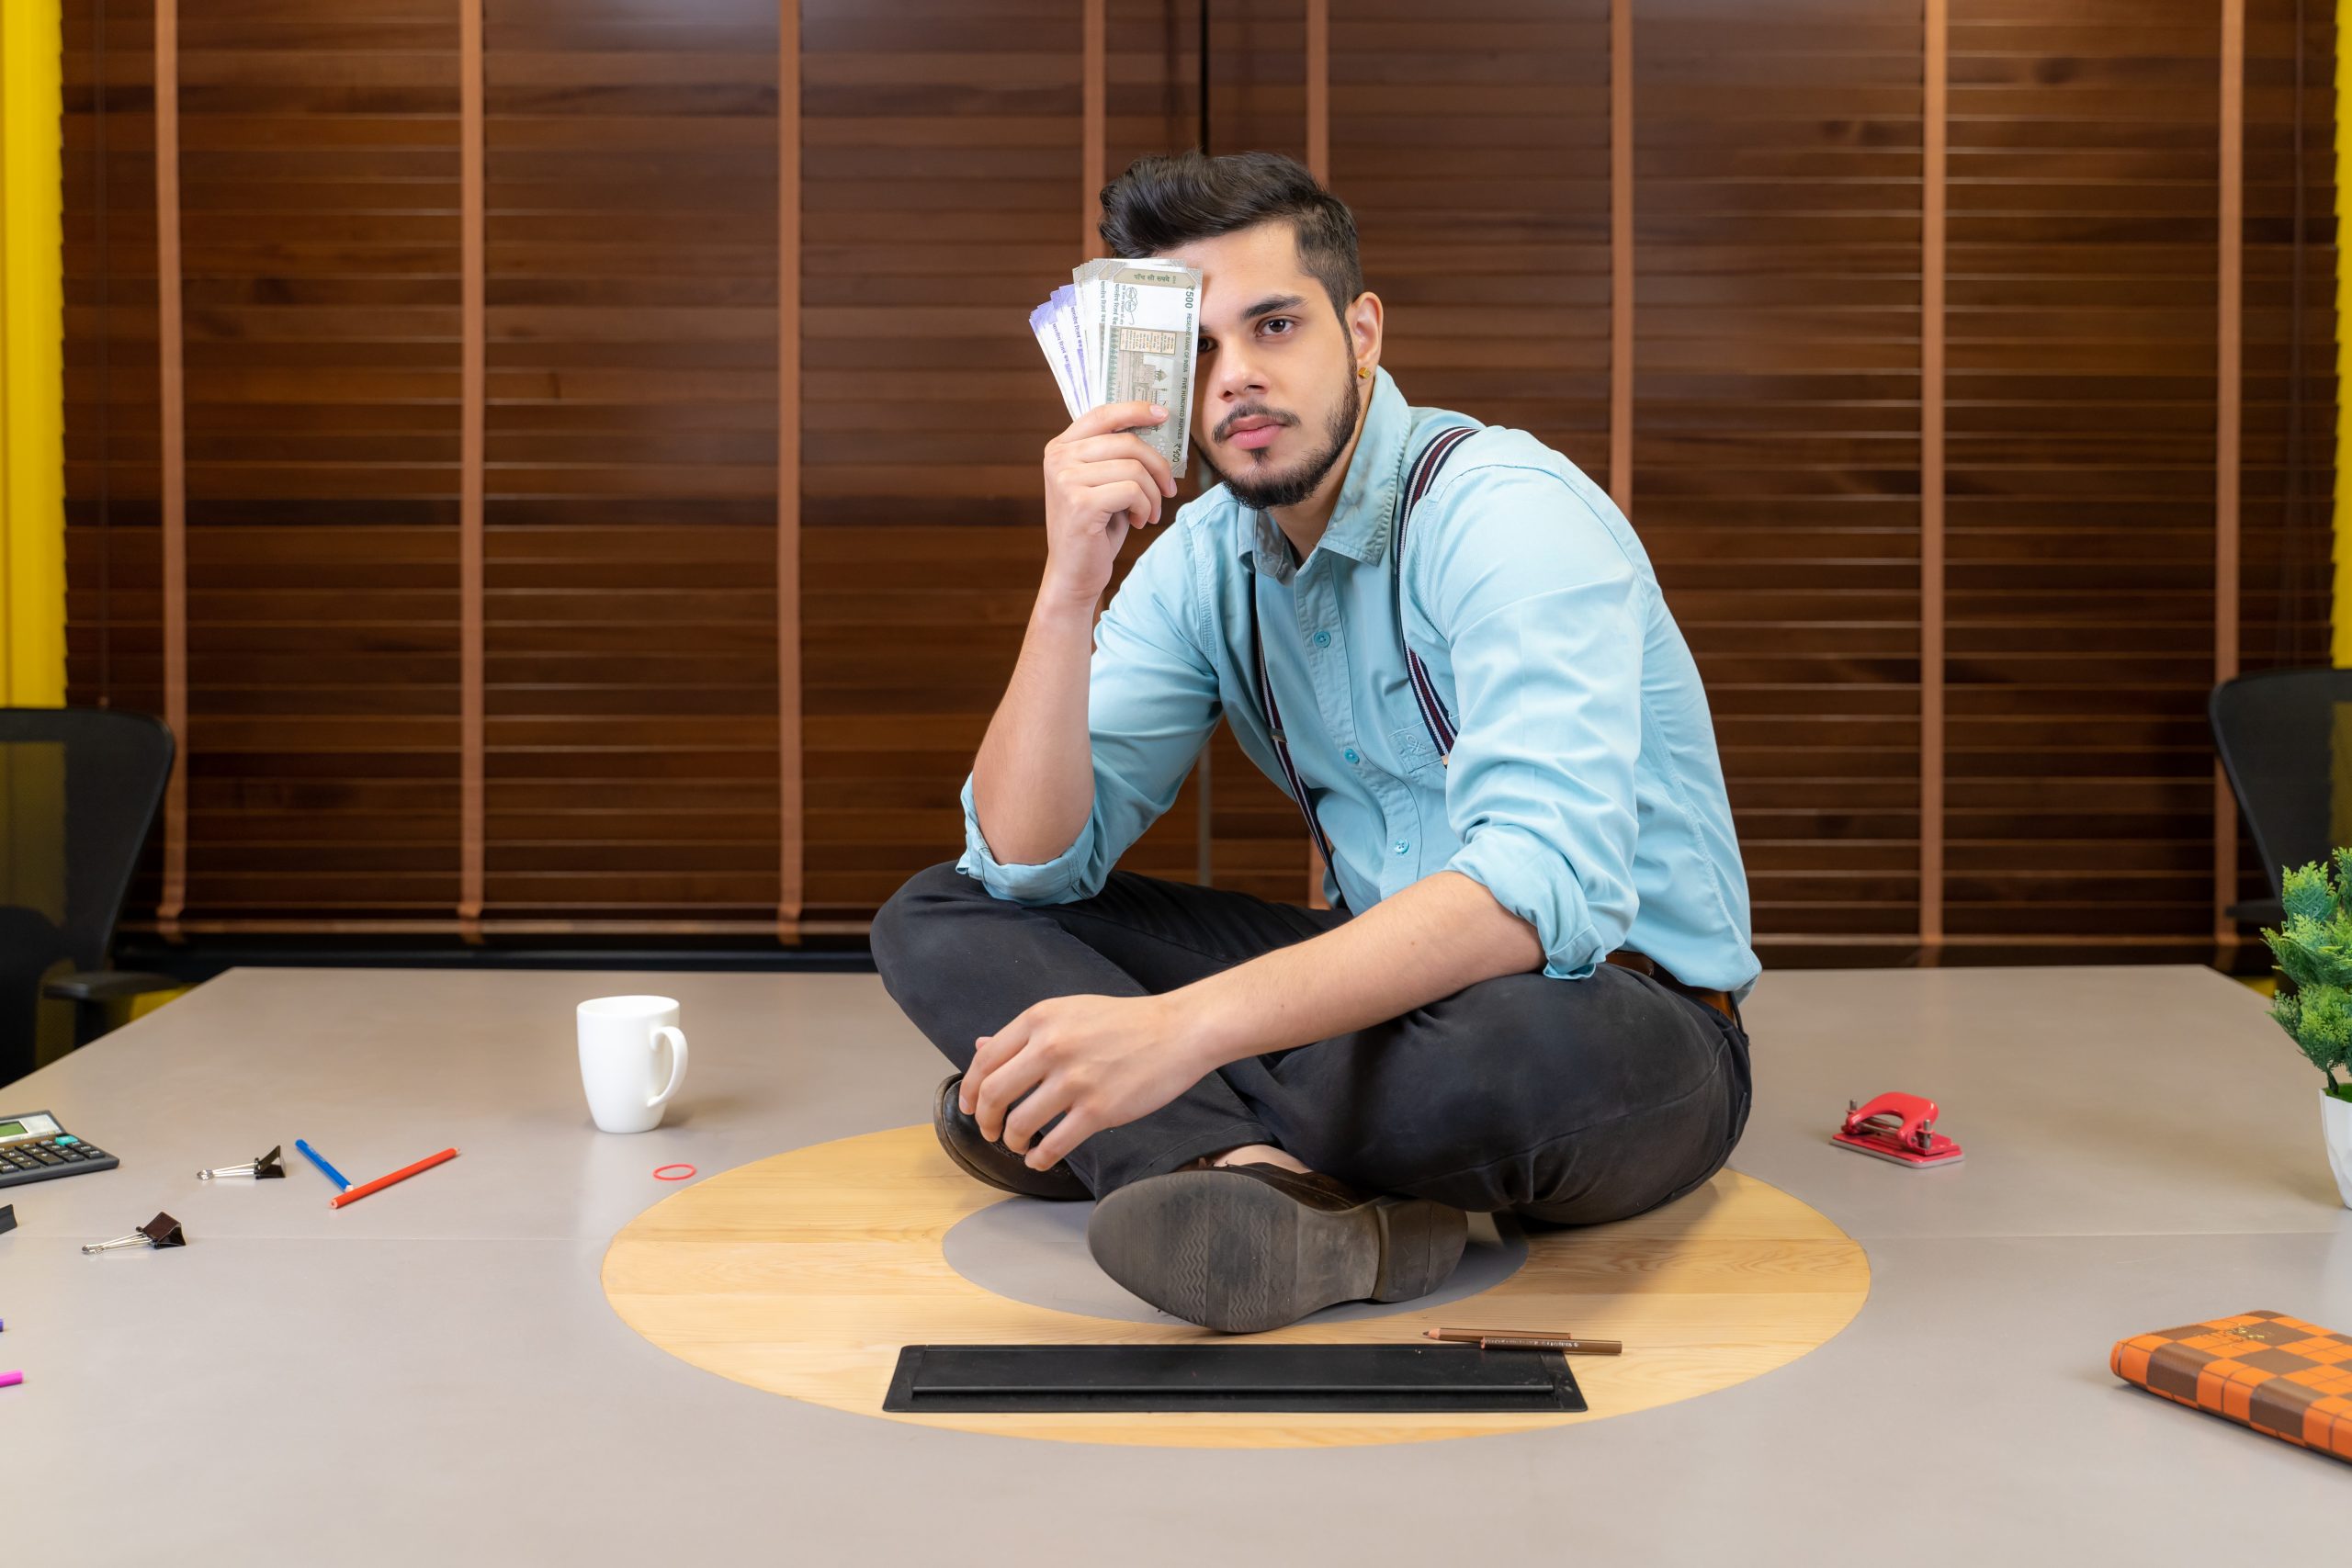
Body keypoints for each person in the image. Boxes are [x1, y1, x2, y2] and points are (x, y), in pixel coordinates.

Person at [870, 149, 1759, 1335]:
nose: (1236, 380)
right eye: (1195, 352)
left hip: (1613, 1019)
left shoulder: (1506, 509)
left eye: (1275, 325)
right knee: (945, 914)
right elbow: (1029, 865)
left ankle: (1124, 1126)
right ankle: (1257, 1183)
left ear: (1362, 331)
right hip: (1377, 1002)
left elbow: (1538, 894)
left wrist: (1173, 1032)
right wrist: (1067, 588)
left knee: (1507, 1049)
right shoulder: (1203, 557)